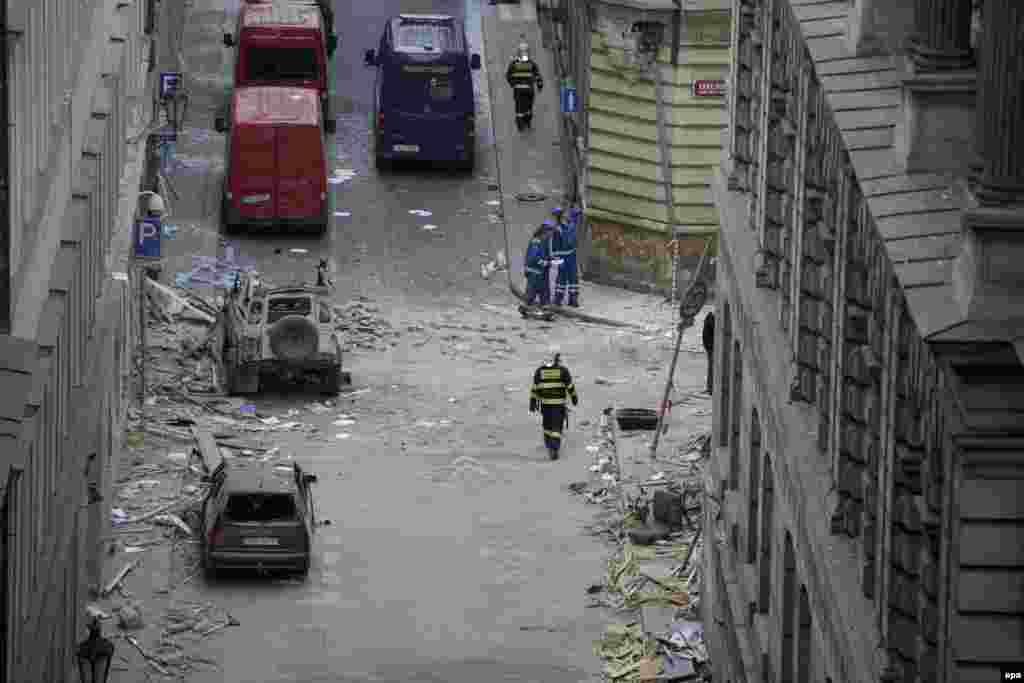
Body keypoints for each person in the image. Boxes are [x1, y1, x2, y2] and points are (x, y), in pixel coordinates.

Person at [530, 349, 579, 459]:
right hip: (558, 405)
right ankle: (554, 448)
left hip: (545, 405)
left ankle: (548, 444)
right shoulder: (563, 371)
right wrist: (574, 397)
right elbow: (570, 386)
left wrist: (533, 402)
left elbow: (535, 388)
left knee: (547, 425)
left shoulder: (539, 371)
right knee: (557, 426)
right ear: (556, 359)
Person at [506, 39, 543, 130]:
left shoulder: (514, 64)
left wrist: (513, 84)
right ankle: (527, 122)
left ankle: (520, 125)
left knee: (519, 108)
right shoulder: (531, 64)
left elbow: (508, 76)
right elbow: (538, 76)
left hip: (518, 90)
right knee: (529, 107)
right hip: (529, 90)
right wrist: (539, 85)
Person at [551, 206, 580, 306]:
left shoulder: (569, 225)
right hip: (565, 256)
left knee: (571, 278)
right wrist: (557, 259)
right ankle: (560, 299)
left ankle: (572, 299)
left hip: (569, 255)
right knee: (564, 278)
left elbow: (555, 247)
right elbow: (555, 247)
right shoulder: (559, 229)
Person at [523, 226, 550, 308]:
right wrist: (544, 263)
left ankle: (545, 305)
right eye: (548, 234)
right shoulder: (536, 242)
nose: (550, 236)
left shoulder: (544, 241)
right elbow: (533, 257)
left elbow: (544, 255)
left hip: (541, 272)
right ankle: (527, 305)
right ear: (543, 233)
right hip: (534, 272)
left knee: (544, 290)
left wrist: (550, 260)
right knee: (532, 290)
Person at [702, 308, 715, 394]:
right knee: (712, 368)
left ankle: (710, 388)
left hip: (709, 346)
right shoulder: (711, 319)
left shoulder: (709, 317)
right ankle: (711, 388)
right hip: (711, 347)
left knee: (711, 368)